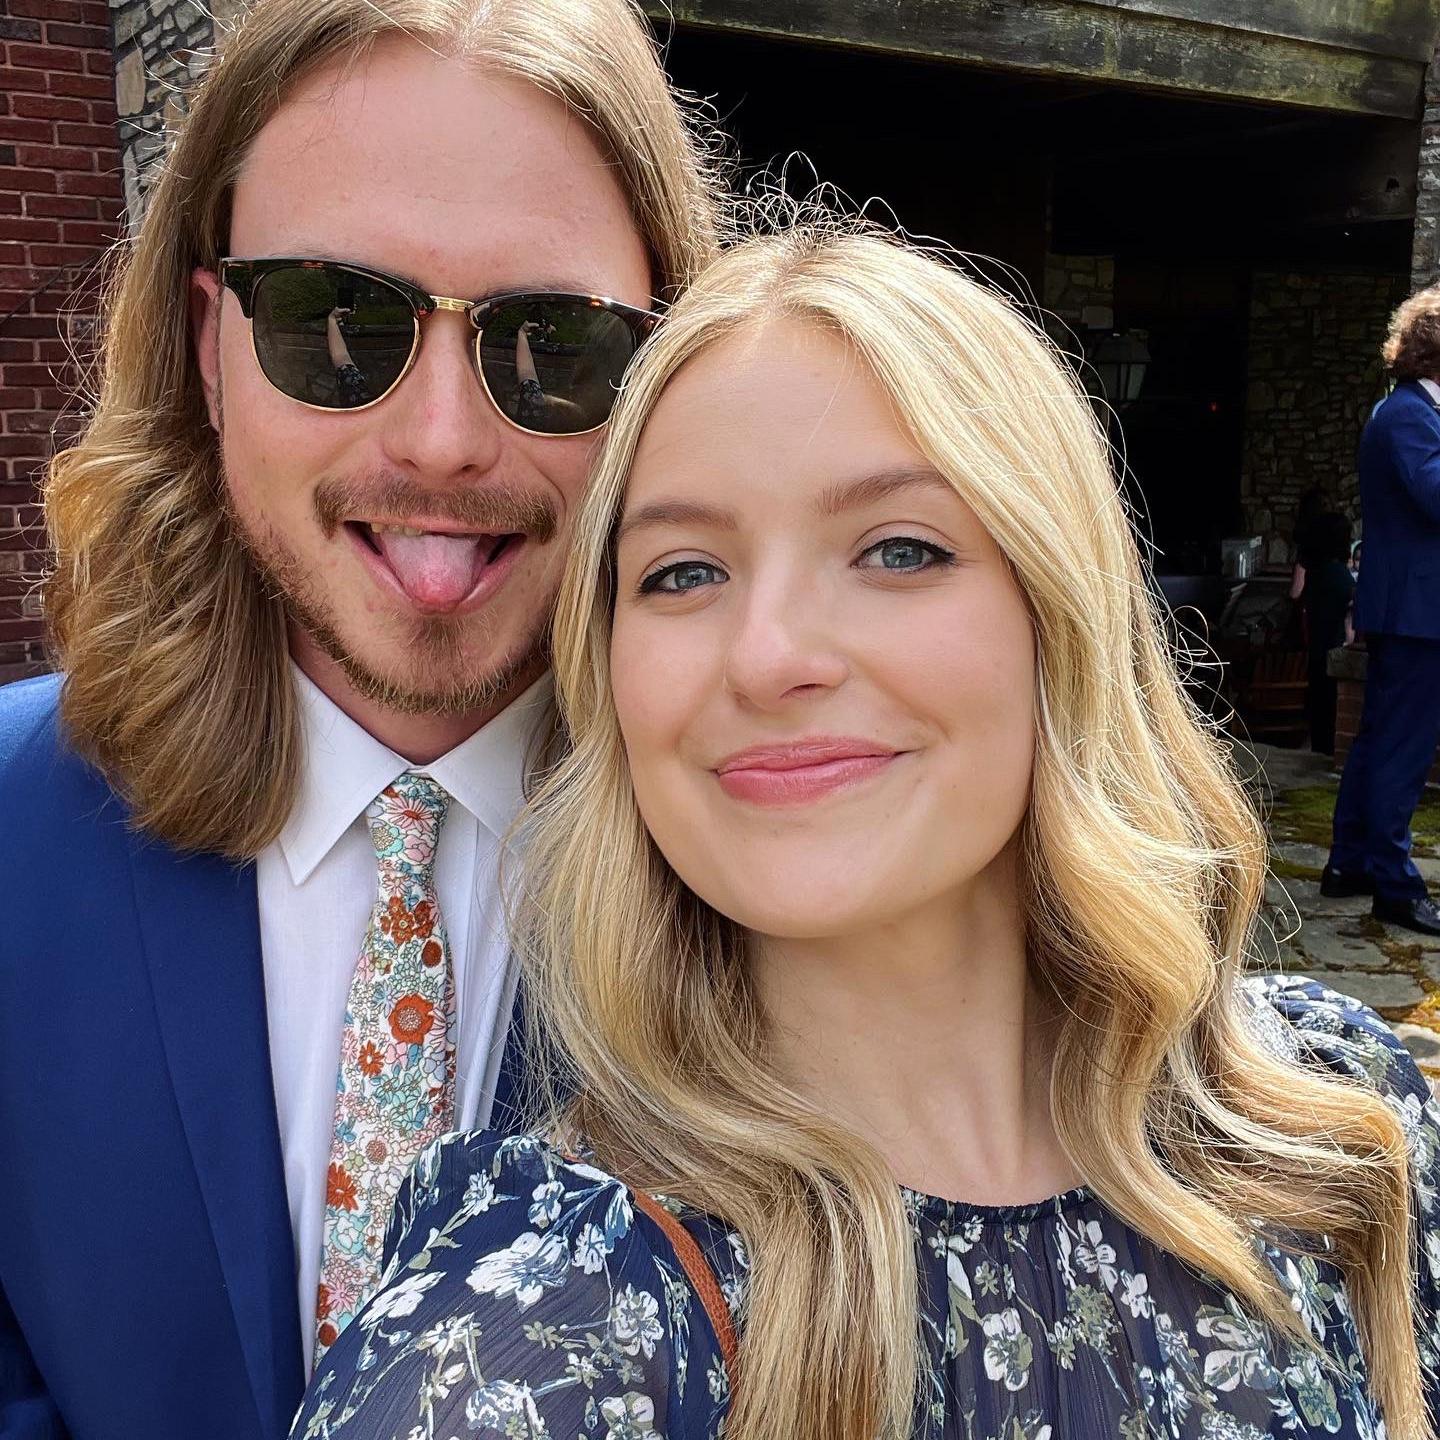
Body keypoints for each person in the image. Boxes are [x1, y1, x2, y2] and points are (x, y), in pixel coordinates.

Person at [296, 227, 1440, 1440]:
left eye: (900, 549)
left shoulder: (1341, 1129)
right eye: (682, 572)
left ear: (1062, 615)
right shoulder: (519, 1344)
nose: (768, 655)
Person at [0, 0, 722, 1434]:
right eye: (336, 323)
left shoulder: (783, 869)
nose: (442, 439)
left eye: (555, 343)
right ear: (209, 349)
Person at [1321, 286, 1440, 936]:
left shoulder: (1407, 412)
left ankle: (1350, 863)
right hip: (1418, 612)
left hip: (1409, 608)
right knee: (1402, 747)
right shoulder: (1409, 416)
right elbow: (1434, 497)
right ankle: (1395, 885)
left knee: (1377, 740)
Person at [1300, 511, 1356, 756]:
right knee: (1329, 725)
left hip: (1317, 652)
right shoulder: (1337, 575)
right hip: (1331, 652)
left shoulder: (1316, 572)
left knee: (1320, 726)